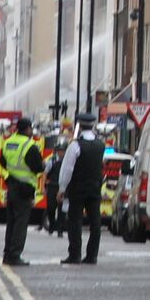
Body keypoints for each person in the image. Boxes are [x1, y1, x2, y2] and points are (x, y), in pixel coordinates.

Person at [0, 118, 47, 265]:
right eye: (30, 129)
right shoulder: (30, 145)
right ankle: (15, 255)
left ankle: (8, 254)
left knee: (11, 222)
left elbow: (2, 161)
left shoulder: (8, 142)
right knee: (20, 223)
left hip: (12, 185)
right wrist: (43, 164)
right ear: (27, 129)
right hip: (25, 187)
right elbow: (39, 167)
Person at [60, 113, 106, 265]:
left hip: (77, 189)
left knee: (75, 222)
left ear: (79, 125)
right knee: (95, 223)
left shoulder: (75, 145)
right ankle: (92, 256)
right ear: (92, 125)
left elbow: (67, 169)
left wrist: (61, 188)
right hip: (94, 189)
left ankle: (75, 255)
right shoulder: (101, 144)